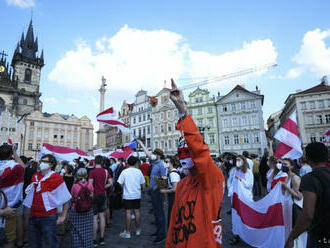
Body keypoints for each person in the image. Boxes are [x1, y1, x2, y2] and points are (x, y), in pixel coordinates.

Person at [166, 79, 225, 248]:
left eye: (188, 152)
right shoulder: (183, 185)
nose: (184, 157)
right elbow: (174, 223)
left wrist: (183, 112)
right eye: (180, 153)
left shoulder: (212, 178)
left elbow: (200, 150)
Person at [285, 142, 330, 248]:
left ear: (308, 158)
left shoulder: (310, 179)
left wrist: (292, 237)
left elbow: (307, 214)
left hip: (320, 237)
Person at [23, 154, 71, 248]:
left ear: (51, 164)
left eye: (45, 162)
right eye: (41, 161)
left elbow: (65, 197)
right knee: (34, 244)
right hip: (33, 216)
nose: (42, 163)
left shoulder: (56, 177)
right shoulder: (35, 176)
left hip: (49, 217)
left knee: (51, 244)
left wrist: (63, 215)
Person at [137, 140, 167, 244]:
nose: (152, 155)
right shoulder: (155, 162)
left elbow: (163, 179)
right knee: (156, 213)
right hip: (153, 192)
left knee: (159, 214)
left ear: (158, 155)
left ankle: (162, 235)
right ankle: (158, 231)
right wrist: (141, 144)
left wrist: (155, 188)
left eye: (154, 154)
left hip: (157, 192)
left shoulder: (161, 165)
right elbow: (147, 153)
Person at [0, 144, 25, 248]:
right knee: (8, 241)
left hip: (6, 209)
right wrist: (15, 152)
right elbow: (23, 166)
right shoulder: (16, 167)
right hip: (9, 208)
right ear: (11, 155)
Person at [117, 156, 145, 238]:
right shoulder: (139, 171)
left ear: (128, 163)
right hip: (137, 194)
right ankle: (138, 230)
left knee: (128, 212)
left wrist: (124, 188)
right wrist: (142, 190)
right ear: (136, 163)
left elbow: (119, 182)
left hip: (128, 195)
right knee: (137, 211)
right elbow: (142, 183)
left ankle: (128, 232)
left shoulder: (124, 171)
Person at [281, 159, 306, 248]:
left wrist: (286, 187)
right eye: (282, 163)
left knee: (294, 231)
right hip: (288, 208)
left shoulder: (295, 178)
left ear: (291, 166)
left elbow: (299, 196)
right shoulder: (287, 177)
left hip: (294, 208)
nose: (283, 165)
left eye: (285, 164)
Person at [230, 155, 254, 245]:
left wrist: (241, 179)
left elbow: (249, 185)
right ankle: (236, 235)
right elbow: (233, 184)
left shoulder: (248, 172)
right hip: (236, 197)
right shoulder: (237, 171)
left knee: (246, 217)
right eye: (236, 160)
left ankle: (249, 235)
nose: (237, 161)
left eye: (239, 160)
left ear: (243, 161)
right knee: (236, 217)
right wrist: (231, 192)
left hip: (245, 198)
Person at [88, 155, 112, 247]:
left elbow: (90, 186)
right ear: (102, 162)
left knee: (94, 217)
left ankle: (94, 240)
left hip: (94, 195)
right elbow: (111, 183)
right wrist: (103, 187)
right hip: (103, 194)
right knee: (102, 216)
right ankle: (102, 238)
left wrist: (90, 196)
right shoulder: (105, 171)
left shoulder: (92, 172)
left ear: (94, 162)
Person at [69, 168, 94, 248]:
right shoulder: (90, 185)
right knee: (87, 231)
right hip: (88, 210)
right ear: (86, 175)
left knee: (75, 231)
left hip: (76, 210)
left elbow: (72, 198)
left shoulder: (74, 186)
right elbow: (91, 196)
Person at [160, 156, 181, 229]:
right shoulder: (170, 172)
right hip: (172, 196)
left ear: (171, 163)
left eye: (167, 162)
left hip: (174, 197)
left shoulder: (173, 174)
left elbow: (175, 188)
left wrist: (164, 191)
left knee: (172, 215)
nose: (165, 164)